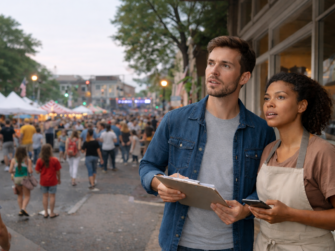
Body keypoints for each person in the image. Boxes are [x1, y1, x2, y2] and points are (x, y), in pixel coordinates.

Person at [139, 36, 276, 251]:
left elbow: (267, 187)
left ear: (244, 77)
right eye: (211, 63)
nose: (213, 71)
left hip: (233, 244)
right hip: (179, 242)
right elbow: (147, 165)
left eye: (225, 65)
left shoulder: (261, 131)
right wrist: (159, 183)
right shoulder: (175, 120)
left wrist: (246, 209)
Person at [247, 72, 335, 250]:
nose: (269, 104)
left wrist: (289, 214)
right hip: (265, 245)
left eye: (280, 97)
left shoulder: (322, 152)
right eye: (267, 98)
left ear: (301, 105)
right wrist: (244, 209)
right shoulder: (268, 151)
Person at [35, 144, 61, 218]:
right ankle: (52, 213)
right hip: (53, 180)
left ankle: (46, 212)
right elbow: (58, 171)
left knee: (45, 196)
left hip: (43, 181)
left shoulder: (39, 160)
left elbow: (37, 171)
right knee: (52, 196)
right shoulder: (55, 160)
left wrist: (42, 171)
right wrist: (59, 179)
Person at [9, 146, 33, 217]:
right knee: (27, 196)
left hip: (16, 179)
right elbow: (29, 171)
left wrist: (15, 170)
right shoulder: (27, 160)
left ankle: (21, 211)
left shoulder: (13, 160)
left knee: (19, 195)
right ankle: (23, 208)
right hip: (25, 179)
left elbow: (10, 171)